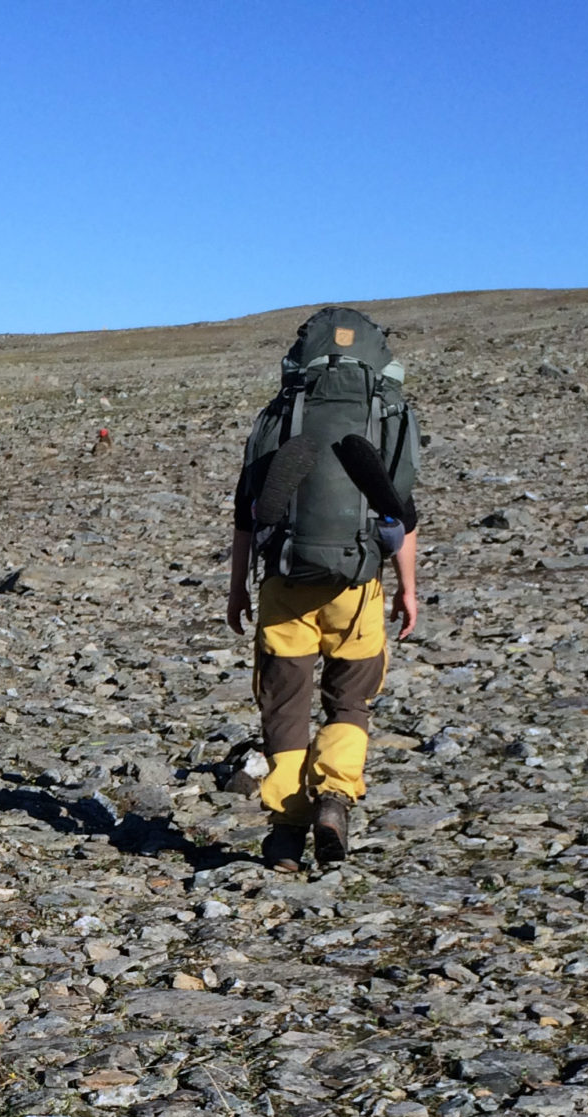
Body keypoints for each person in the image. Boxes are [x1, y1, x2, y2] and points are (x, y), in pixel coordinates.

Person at [227, 306, 422, 871]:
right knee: (350, 700)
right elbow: (399, 512)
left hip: (286, 581)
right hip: (357, 585)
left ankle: (287, 832)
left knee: (285, 707)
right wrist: (408, 589)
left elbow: (247, 514)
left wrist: (237, 587)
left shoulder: (281, 416)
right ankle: (335, 796)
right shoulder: (386, 417)